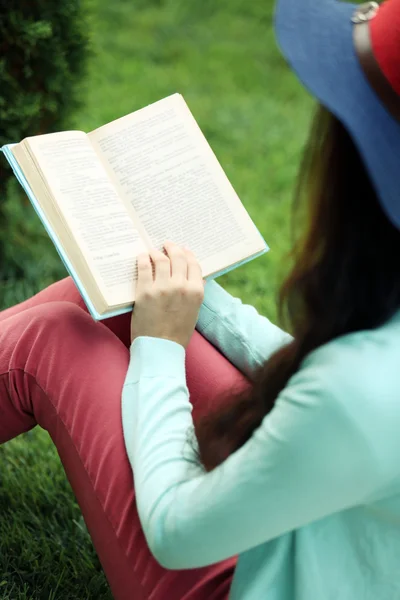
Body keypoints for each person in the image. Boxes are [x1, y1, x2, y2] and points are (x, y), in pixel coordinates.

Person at [2, 0, 400, 597]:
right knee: (105, 297)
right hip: (305, 522)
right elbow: (314, 379)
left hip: (252, 576)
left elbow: (175, 528)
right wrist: (196, 297)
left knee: (54, 337)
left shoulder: (360, 392)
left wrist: (160, 348)